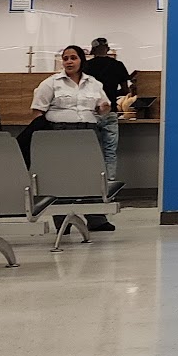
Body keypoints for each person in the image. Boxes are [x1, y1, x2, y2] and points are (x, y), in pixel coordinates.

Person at [33, 45, 115, 231]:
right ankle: (63, 221)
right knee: (60, 175)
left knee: (92, 174)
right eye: (66, 58)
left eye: (73, 58)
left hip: (88, 132)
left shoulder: (94, 83)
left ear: (81, 61)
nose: (69, 62)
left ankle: (96, 219)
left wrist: (104, 108)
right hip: (59, 132)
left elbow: (104, 107)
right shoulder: (51, 83)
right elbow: (38, 111)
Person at [80, 38, 130, 186]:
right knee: (110, 152)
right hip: (110, 112)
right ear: (107, 49)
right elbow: (125, 90)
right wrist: (112, 93)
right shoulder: (118, 65)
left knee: (91, 151)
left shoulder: (86, 66)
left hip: (91, 113)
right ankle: (109, 185)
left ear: (92, 50)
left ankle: (92, 185)